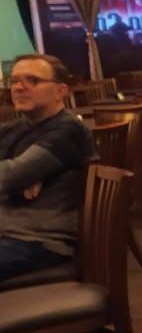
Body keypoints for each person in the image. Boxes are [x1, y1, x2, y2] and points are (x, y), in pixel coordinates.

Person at [0, 53, 93, 281]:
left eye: (32, 80)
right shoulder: (18, 128)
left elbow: (8, 176)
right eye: (14, 80)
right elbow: (12, 175)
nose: (18, 87)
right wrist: (24, 176)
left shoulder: (68, 130)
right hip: (9, 231)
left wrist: (18, 176)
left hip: (39, 241)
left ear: (61, 90)